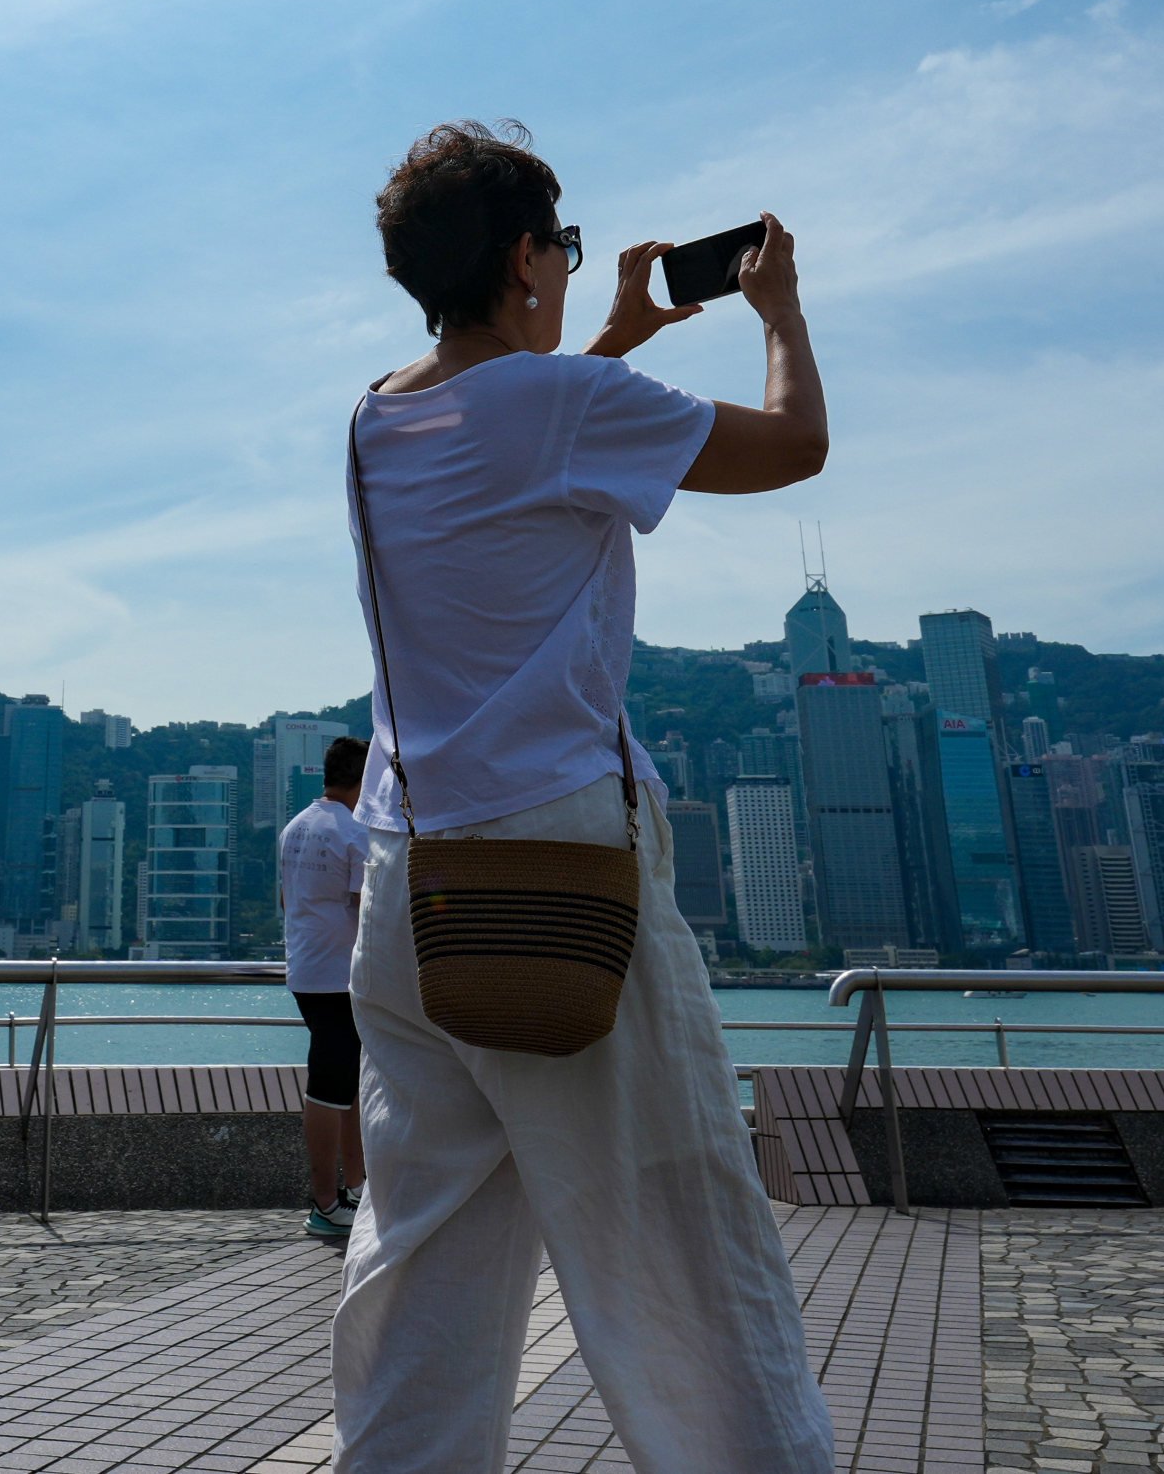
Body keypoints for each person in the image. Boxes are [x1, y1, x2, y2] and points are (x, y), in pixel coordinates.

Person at [330, 121, 835, 1474]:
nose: (560, 262)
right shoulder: (555, 406)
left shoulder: (381, 412)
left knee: (420, 1265)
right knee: (683, 1252)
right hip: (559, 875)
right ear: (517, 254)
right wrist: (775, 310)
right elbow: (793, 443)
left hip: (407, 880)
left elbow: (528, 424)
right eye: (554, 243)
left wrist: (607, 331)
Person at [278, 731, 371, 1241]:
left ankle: (354, 1188)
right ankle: (325, 1202)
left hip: (306, 968)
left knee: (349, 1084)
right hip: (342, 974)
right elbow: (368, 911)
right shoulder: (355, 834)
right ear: (365, 779)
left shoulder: (296, 826)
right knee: (330, 1087)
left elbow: (285, 900)